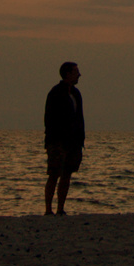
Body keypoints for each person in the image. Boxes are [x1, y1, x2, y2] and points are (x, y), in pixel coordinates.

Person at [43, 61, 84, 215]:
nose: (79, 75)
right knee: (54, 174)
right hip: (58, 142)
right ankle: (48, 209)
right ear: (68, 74)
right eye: (76, 72)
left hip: (73, 142)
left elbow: (79, 118)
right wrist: (53, 141)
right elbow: (49, 119)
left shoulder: (76, 93)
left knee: (67, 174)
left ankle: (60, 208)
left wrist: (80, 139)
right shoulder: (55, 93)